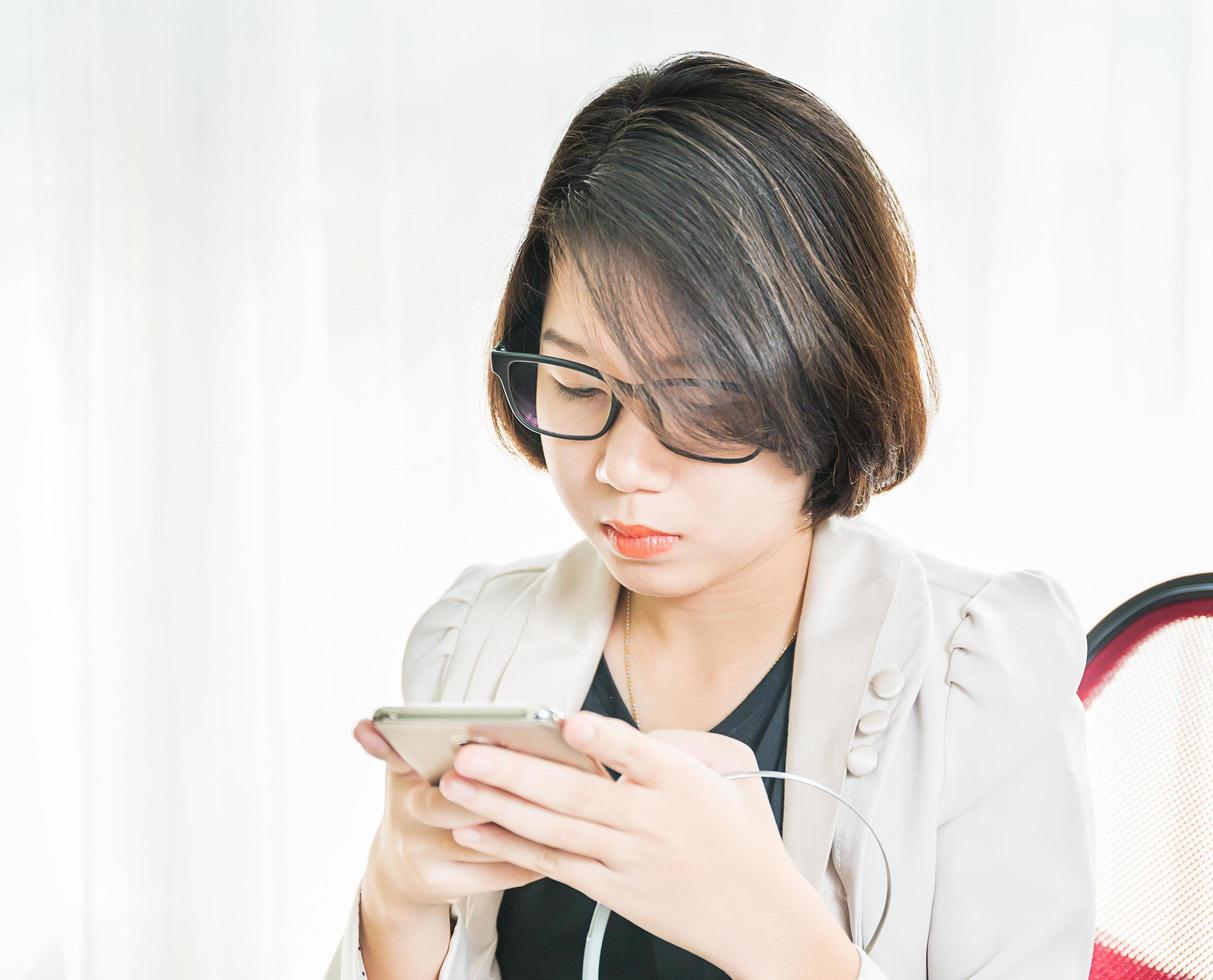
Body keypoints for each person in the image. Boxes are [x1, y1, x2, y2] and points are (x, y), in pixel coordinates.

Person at [325, 50, 1096, 980]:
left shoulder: (977, 676)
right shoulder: (471, 642)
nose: (618, 466)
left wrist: (780, 942)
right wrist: (395, 904)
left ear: (826, 380)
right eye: (573, 382)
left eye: (695, 403)